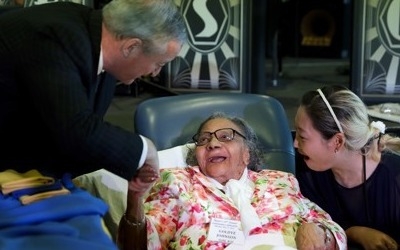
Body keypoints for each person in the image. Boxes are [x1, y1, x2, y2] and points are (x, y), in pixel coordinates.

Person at [0, 0, 186, 180]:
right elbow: (75, 130)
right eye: (159, 63)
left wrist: (127, 169)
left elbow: (73, 131)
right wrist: (145, 149)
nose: (154, 73)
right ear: (131, 46)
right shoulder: (57, 36)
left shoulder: (98, 40)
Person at [117, 112, 347, 250]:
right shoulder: (177, 182)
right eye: (204, 140)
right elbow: (139, 245)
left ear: (247, 153)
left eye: (225, 137)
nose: (213, 144)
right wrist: (135, 199)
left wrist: (317, 231)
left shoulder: (281, 181)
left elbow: (328, 227)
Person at [294, 85, 400, 250]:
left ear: (337, 141)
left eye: (302, 136)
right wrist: (354, 232)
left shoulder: (394, 179)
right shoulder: (307, 169)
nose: (295, 143)